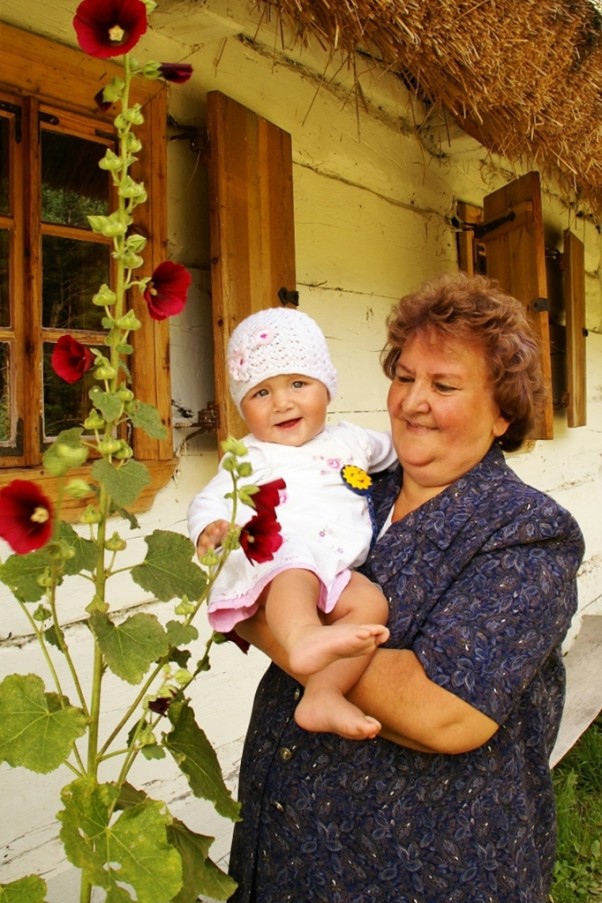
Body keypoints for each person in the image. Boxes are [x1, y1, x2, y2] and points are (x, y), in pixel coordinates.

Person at [227, 272, 585, 903]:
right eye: (404, 377)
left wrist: (278, 627)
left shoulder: (528, 532)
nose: (411, 401)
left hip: (423, 869)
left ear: (502, 413)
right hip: (281, 846)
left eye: (443, 385)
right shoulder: (354, 484)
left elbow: (442, 712)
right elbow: (248, 557)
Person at [188, 307, 398, 740]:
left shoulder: (353, 439)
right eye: (260, 393)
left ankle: (321, 694)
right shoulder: (250, 455)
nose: (282, 402)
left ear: (327, 388)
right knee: (295, 571)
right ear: (243, 408)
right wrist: (210, 527)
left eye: (298, 384)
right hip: (282, 561)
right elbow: (209, 499)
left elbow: (404, 450)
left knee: (371, 605)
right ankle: (302, 637)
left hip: (335, 569)